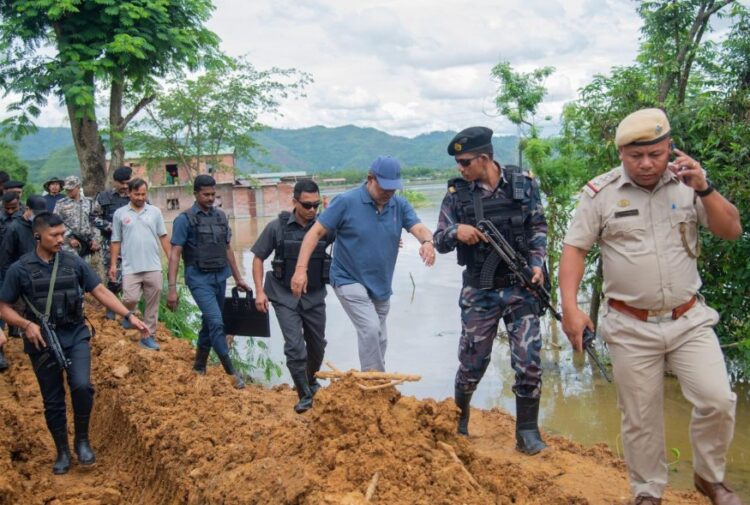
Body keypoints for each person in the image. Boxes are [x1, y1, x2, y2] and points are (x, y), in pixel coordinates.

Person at [559, 108, 742, 505]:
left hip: (689, 318)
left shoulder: (688, 185)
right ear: (622, 153)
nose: (646, 164)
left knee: (717, 399)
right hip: (629, 324)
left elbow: (731, 230)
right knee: (640, 419)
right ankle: (647, 493)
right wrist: (571, 308)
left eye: (655, 155)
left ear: (668, 149)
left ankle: (709, 478)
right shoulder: (601, 194)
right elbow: (575, 249)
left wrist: (706, 189)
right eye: (635, 156)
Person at [0, 212, 148, 475]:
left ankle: (82, 440)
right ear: (38, 235)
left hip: (76, 333)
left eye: (62, 234)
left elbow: (99, 291)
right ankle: (62, 451)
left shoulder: (73, 262)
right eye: (54, 235)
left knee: (81, 385)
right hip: (41, 340)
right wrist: (26, 325)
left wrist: (128, 315)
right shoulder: (19, 269)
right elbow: (4, 306)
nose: (60, 240)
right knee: (53, 399)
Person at [432, 127, 549, 454]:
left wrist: (538, 264)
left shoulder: (523, 186)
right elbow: (438, 239)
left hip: (521, 287)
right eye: (458, 162)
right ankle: (460, 417)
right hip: (479, 292)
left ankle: (527, 432)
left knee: (528, 361)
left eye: (465, 161)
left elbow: (538, 227)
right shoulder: (457, 195)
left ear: (485, 158)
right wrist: (458, 231)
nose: (460, 168)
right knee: (472, 364)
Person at [291, 155, 435, 372]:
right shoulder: (346, 201)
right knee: (369, 329)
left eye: (393, 189)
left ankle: (376, 379)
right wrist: (301, 270)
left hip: (380, 282)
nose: (388, 193)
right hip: (347, 277)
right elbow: (315, 233)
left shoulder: (399, 205)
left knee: (381, 337)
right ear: (370, 179)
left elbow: (420, 228)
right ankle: (374, 380)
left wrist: (427, 242)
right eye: (384, 188)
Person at [251, 180, 334, 413]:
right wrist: (259, 291)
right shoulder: (276, 227)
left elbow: (352, 240)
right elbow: (258, 258)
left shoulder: (325, 227)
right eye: (306, 205)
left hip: (315, 295)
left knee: (317, 346)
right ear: (294, 202)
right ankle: (304, 394)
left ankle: (310, 379)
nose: (312, 210)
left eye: (316, 205)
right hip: (283, 295)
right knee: (295, 347)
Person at [166, 175, 251, 389]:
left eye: (213, 194)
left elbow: (228, 249)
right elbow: (175, 254)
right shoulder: (184, 220)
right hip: (198, 279)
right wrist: (173, 288)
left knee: (208, 322)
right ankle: (232, 373)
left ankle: (199, 365)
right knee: (216, 321)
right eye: (206, 194)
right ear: (195, 194)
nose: (211, 198)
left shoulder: (221, 217)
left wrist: (238, 278)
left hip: (220, 277)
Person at [110, 178, 170, 351]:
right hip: (131, 267)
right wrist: (113, 265)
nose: (140, 197)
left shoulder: (155, 212)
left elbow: (163, 237)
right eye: (136, 194)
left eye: (143, 194)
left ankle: (149, 336)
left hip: (153, 265)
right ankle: (127, 316)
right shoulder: (120, 214)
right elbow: (115, 240)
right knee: (131, 298)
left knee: (153, 303)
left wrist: (172, 259)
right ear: (128, 193)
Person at [92, 166, 132, 316]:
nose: (124, 187)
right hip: (110, 244)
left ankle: (130, 309)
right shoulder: (104, 197)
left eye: (127, 183)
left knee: (133, 277)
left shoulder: (138, 196)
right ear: (114, 182)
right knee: (113, 279)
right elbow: (93, 217)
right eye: (121, 183)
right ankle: (111, 309)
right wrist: (112, 227)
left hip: (133, 244)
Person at [54, 176, 101, 258]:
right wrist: (68, 239)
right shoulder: (61, 204)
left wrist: (95, 240)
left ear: (78, 187)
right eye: (67, 189)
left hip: (88, 244)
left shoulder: (90, 202)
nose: (68, 191)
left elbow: (95, 222)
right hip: (69, 245)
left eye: (71, 189)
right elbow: (55, 223)